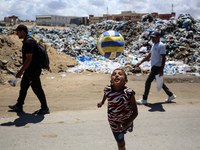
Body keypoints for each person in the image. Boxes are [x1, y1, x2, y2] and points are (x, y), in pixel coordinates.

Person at [8, 25, 50, 114]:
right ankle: (19, 105)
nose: (16, 33)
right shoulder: (30, 40)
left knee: (37, 89)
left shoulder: (28, 42)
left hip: (33, 70)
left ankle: (45, 107)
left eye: (18, 31)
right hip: (30, 70)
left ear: (22, 32)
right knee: (23, 87)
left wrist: (20, 71)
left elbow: (29, 59)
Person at [97, 68, 138, 150]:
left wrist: (125, 125)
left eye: (120, 74)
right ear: (111, 81)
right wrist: (102, 102)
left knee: (129, 128)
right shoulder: (107, 89)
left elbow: (135, 112)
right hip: (113, 121)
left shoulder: (129, 93)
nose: (116, 75)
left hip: (127, 119)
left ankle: (129, 126)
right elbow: (106, 94)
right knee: (121, 143)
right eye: (114, 74)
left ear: (126, 81)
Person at [136, 31, 176, 105]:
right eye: (152, 37)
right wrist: (140, 62)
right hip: (154, 66)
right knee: (159, 82)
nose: (153, 39)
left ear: (158, 37)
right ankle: (171, 95)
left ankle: (144, 99)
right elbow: (149, 55)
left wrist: (161, 70)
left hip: (157, 67)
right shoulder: (154, 45)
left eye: (154, 37)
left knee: (148, 82)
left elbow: (163, 58)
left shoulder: (161, 45)